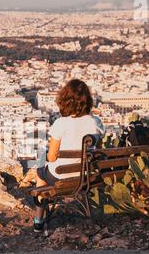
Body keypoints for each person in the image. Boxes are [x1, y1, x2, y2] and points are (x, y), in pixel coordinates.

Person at [33, 79, 105, 233]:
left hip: (61, 176)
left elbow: (51, 157)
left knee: (40, 173)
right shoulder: (94, 122)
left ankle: (38, 220)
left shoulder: (61, 123)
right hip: (85, 175)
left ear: (65, 100)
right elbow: (97, 152)